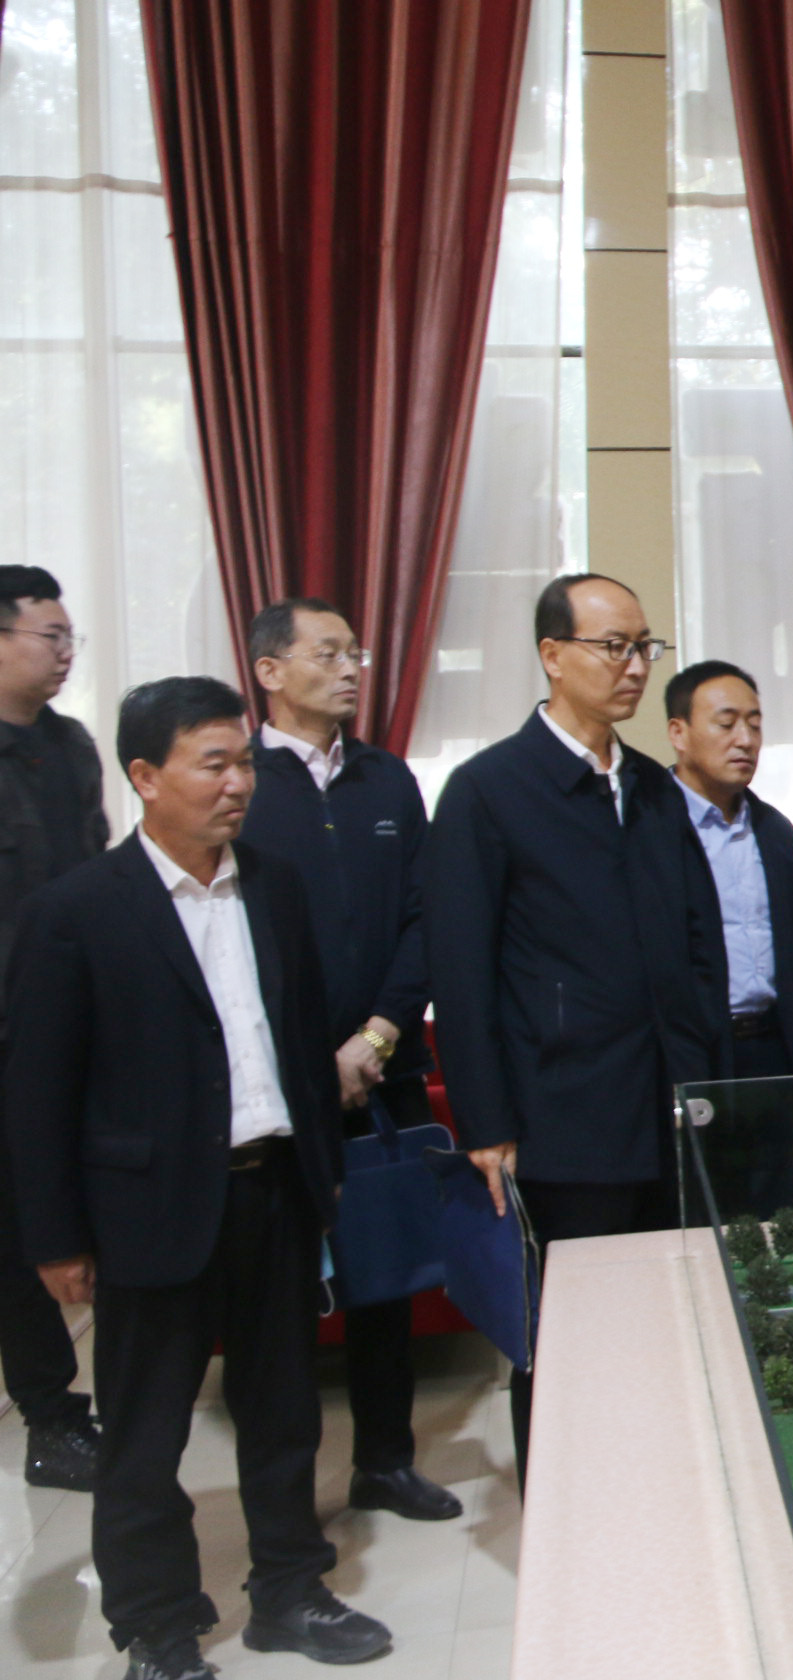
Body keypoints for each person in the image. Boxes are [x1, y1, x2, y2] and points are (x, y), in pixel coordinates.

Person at [8, 677, 390, 1679]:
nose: (238, 784)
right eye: (212, 764)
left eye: (244, 763)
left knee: (284, 1412)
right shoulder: (76, 911)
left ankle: (290, 1590)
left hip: (275, 1191)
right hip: (149, 1209)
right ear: (145, 776)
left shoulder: (274, 886)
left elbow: (301, 1040)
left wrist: (322, 1171)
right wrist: (53, 1239)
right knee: (144, 1437)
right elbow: (37, 1095)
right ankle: (157, 1626)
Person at [424, 574, 727, 1473]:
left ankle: (659, 1492)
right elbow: (461, 974)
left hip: (668, 1112)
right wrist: (485, 1123)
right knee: (568, 1338)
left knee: (670, 1327)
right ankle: (566, 1510)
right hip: (563, 1118)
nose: (634, 666)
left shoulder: (654, 788)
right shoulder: (488, 791)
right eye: (613, 646)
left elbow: (699, 946)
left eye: (644, 647)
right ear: (552, 655)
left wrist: (707, 1075)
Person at [238, 597, 461, 1524]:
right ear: (269, 671)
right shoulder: (239, 783)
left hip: (385, 1069)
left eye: (354, 655)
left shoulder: (386, 779)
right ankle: (286, 1509)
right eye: (326, 654)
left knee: (385, 1281)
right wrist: (312, 1061)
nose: (349, 670)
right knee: (282, 1300)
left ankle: (386, 1461)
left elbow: (424, 918)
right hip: (280, 1089)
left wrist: (376, 1036)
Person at [0, 565, 106, 1492]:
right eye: (50, 635)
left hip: (83, 1020)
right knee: (15, 1231)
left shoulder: (72, 745)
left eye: (72, 637)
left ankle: (114, 1393)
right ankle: (51, 1418)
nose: (66, 652)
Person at [665, 660, 793, 1222]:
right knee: (700, 1224)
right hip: (698, 1057)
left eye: (755, 724)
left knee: (774, 1227)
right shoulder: (651, 829)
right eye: (726, 723)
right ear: (679, 733)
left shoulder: (774, 830)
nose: (745, 739)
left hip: (773, 1054)